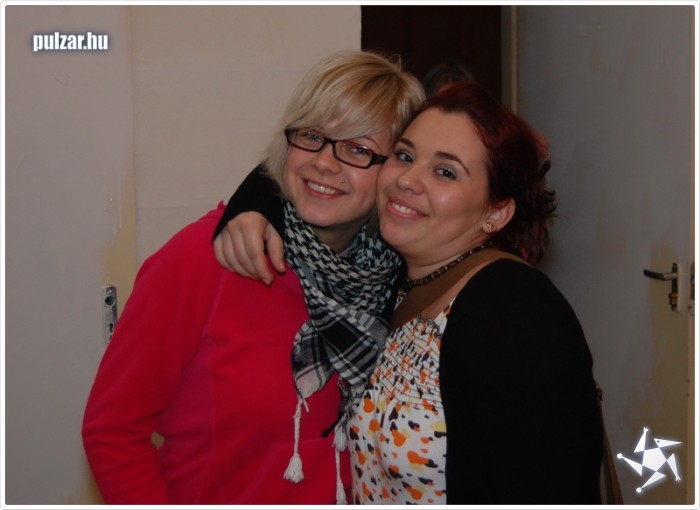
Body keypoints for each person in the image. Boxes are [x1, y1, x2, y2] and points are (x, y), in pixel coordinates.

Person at [212, 81, 604, 504]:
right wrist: (253, 204)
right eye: (404, 156)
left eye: (445, 172)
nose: (408, 180)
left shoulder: (514, 310)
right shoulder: (389, 276)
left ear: (496, 212)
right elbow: (314, 163)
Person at [81, 49, 425, 505]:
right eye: (312, 136)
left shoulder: (399, 277)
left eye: (357, 149)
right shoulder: (202, 260)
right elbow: (112, 431)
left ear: (396, 171)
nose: (325, 163)